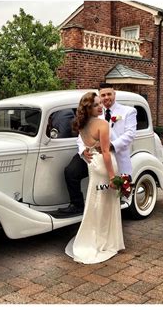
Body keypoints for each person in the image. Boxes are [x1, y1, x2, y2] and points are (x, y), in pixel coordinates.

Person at [64, 91, 124, 264]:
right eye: (96, 104)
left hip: (93, 166)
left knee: (95, 201)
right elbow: (106, 152)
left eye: (100, 103)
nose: (100, 106)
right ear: (89, 108)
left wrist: (87, 149)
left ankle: (93, 237)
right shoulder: (102, 124)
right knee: (106, 204)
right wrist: (113, 176)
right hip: (104, 166)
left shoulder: (82, 125)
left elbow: (88, 142)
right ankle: (105, 241)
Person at [60, 83, 137, 214]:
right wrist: (83, 150)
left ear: (114, 94)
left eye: (109, 94)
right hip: (92, 154)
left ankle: (111, 211)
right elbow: (81, 135)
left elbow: (130, 134)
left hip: (115, 154)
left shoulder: (128, 111)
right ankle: (77, 204)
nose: (106, 98)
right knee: (71, 172)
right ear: (99, 96)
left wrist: (111, 145)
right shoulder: (94, 112)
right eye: (103, 95)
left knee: (113, 187)